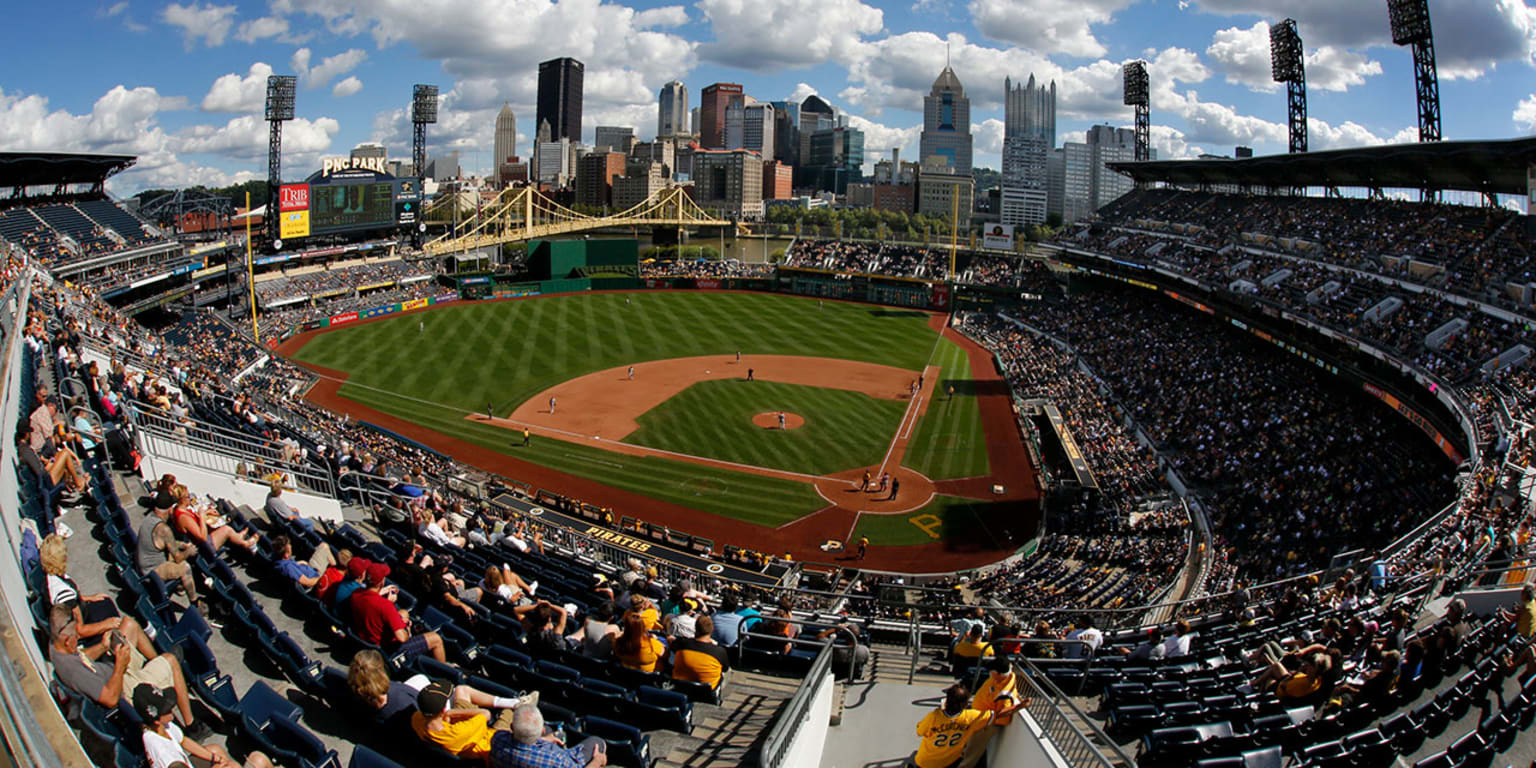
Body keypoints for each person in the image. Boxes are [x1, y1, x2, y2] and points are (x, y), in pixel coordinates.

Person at [48, 606, 211, 740]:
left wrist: (104, 646)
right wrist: (120, 664)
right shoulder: (75, 672)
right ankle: (192, 726)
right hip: (123, 688)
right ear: (68, 640)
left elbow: (84, 658)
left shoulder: (57, 647)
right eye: (76, 637)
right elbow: (111, 699)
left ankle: (156, 665)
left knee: (129, 624)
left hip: (111, 669)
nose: (78, 638)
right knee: (171, 660)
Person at [348, 650, 533, 727]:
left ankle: (513, 702)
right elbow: (428, 718)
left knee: (422, 678)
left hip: (417, 713)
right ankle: (513, 703)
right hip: (436, 719)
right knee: (462, 689)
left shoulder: (358, 694)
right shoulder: (400, 699)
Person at [133, 684, 272, 768]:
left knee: (215, 750)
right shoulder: (164, 755)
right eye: (167, 709)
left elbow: (183, 740)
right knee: (258, 758)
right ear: (156, 720)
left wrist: (213, 758)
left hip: (186, 763)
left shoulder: (161, 726)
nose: (172, 708)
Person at [349, 562, 448, 662]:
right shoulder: (386, 606)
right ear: (381, 582)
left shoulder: (356, 594)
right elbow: (402, 638)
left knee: (404, 613)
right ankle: (442, 670)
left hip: (365, 639)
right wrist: (407, 629)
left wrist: (384, 592)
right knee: (436, 638)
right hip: (387, 650)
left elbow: (371, 599)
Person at [911, 683, 1024, 768]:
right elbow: (998, 714)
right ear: (965, 704)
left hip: (925, 762)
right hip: (949, 762)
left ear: (947, 701)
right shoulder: (971, 717)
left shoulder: (934, 716)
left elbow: (919, 732)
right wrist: (1019, 707)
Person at [412, 679, 529, 760]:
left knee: (461, 690)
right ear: (443, 709)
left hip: (461, 738)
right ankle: (516, 703)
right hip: (490, 744)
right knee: (513, 711)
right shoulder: (459, 731)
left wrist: (447, 718)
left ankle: (515, 702)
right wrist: (452, 712)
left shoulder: (416, 719)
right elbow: (486, 714)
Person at [39, 533, 120, 647]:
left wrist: (89, 598)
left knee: (104, 601)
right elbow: (79, 631)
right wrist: (108, 623)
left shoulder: (51, 577)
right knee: (116, 620)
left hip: (82, 611)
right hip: (83, 628)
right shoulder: (63, 593)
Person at [489, 701, 607, 768]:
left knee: (550, 730)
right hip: (565, 759)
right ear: (542, 732)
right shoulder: (556, 761)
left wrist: (543, 740)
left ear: (511, 727)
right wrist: (597, 761)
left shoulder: (497, 738)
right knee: (597, 742)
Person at [135, 493, 202, 611]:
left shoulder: (150, 518)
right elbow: (178, 558)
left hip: (143, 565)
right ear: (170, 509)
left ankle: (180, 586)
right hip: (151, 571)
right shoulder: (164, 529)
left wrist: (181, 544)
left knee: (175, 553)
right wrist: (189, 550)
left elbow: (163, 542)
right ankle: (195, 603)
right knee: (185, 567)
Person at [962, 659, 1027, 768]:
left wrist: (1019, 707)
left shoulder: (1004, 694)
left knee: (971, 753)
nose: (990, 675)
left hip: (985, 725)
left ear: (998, 673)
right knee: (971, 748)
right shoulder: (1003, 675)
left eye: (991, 672)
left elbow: (1002, 713)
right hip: (978, 717)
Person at [171, 486, 258, 555]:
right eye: (187, 497)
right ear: (182, 500)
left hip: (203, 539)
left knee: (221, 524)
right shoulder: (184, 518)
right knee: (226, 529)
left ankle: (238, 537)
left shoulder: (181, 509)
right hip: (204, 547)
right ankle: (246, 544)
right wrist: (202, 516)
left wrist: (206, 512)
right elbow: (202, 537)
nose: (190, 498)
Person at [671, 615, 731, 689]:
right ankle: (720, 695)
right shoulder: (719, 651)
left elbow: (672, 646)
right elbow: (725, 668)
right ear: (712, 630)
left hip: (680, 687)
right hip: (707, 693)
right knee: (728, 671)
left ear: (696, 629)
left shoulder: (682, 643)